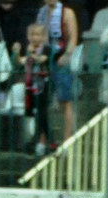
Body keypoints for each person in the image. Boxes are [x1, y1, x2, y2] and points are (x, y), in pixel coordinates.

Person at [36, 0, 79, 141]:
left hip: (60, 59)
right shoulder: (42, 13)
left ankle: (67, 139)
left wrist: (67, 55)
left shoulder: (67, 12)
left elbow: (73, 38)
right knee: (42, 103)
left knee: (65, 101)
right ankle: (43, 139)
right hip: (44, 58)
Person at [13, 22, 51, 155]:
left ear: (43, 37)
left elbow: (41, 60)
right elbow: (22, 61)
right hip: (31, 85)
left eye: (38, 35)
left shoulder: (46, 48)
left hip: (43, 84)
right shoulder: (28, 49)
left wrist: (32, 53)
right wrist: (17, 53)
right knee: (37, 114)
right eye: (32, 34)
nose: (35, 37)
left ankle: (36, 141)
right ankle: (49, 140)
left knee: (42, 113)